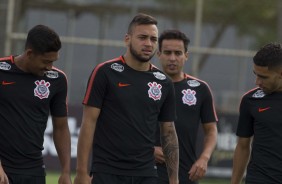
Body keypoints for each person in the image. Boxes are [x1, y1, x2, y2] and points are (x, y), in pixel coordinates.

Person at [73, 13, 179, 184]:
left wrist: (174, 179)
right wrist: (81, 172)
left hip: (146, 173)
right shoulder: (105, 72)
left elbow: (168, 132)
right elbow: (88, 123)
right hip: (107, 171)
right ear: (127, 39)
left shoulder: (164, 82)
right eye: (142, 37)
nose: (148, 44)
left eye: (153, 39)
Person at [0, 25, 72, 184]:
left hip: (34, 171)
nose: (49, 67)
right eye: (46, 61)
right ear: (30, 53)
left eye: (53, 61)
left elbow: (61, 127)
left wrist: (66, 172)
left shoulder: (58, 80)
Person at [154, 29, 218, 184]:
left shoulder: (200, 89)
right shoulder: (146, 85)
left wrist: (204, 158)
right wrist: (148, 149)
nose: (172, 58)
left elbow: (211, 130)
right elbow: (129, 128)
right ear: (158, 54)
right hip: (148, 172)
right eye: (167, 53)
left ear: (186, 56)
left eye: (178, 53)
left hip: (186, 174)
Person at [231, 43, 282, 184]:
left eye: (263, 77)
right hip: (259, 179)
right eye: (255, 75)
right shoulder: (250, 100)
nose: (257, 82)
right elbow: (242, 145)